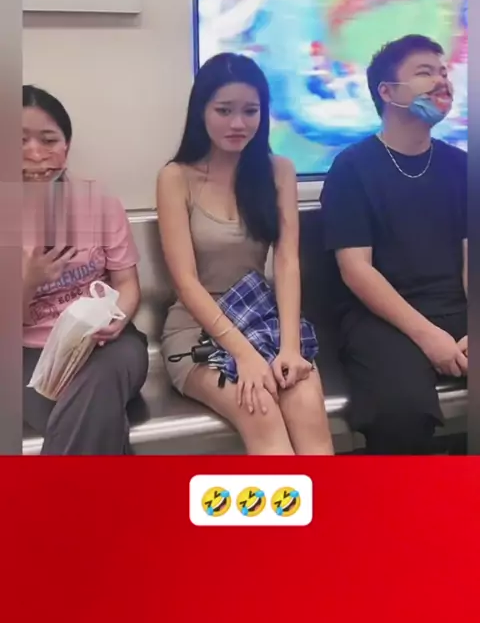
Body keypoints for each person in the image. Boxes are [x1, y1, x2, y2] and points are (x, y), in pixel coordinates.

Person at [156, 53, 333, 455]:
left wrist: (290, 348)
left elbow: (287, 262)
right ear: (201, 110)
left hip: (263, 319)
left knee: (306, 403)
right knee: (260, 409)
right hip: (198, 330)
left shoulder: (278, 171)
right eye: (224, 110)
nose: (238, 123)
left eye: (250, 111)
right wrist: (244, 355)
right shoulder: (175, 177)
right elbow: (185, 282)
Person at [320, 35, 467, 455]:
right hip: (381, 317)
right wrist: (429, 336)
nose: (441, 81)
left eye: (443, 72)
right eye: (425, 72)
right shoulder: (352, 167)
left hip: (455, 305)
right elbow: (356, 270)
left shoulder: (461, 166)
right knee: (400, 413)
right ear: (387, 92)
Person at [22, 85, 149, 455]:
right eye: (19, 140)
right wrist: (28, 282)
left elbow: (128, 284)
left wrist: (118, 319)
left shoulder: (100, 202)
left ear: (67, 145)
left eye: (49, 140)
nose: (35, 153)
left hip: (108, 345)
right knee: (95, 418)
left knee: (99, 384)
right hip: (30, 355)